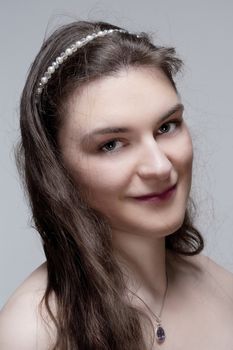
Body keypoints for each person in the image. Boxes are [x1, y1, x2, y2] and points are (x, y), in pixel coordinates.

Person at [0, 20, 233, 350]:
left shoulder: (223, 290)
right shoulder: (31, 333)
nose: (160, 166)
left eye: (167, 126)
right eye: (111, 144)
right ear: (57, 170)